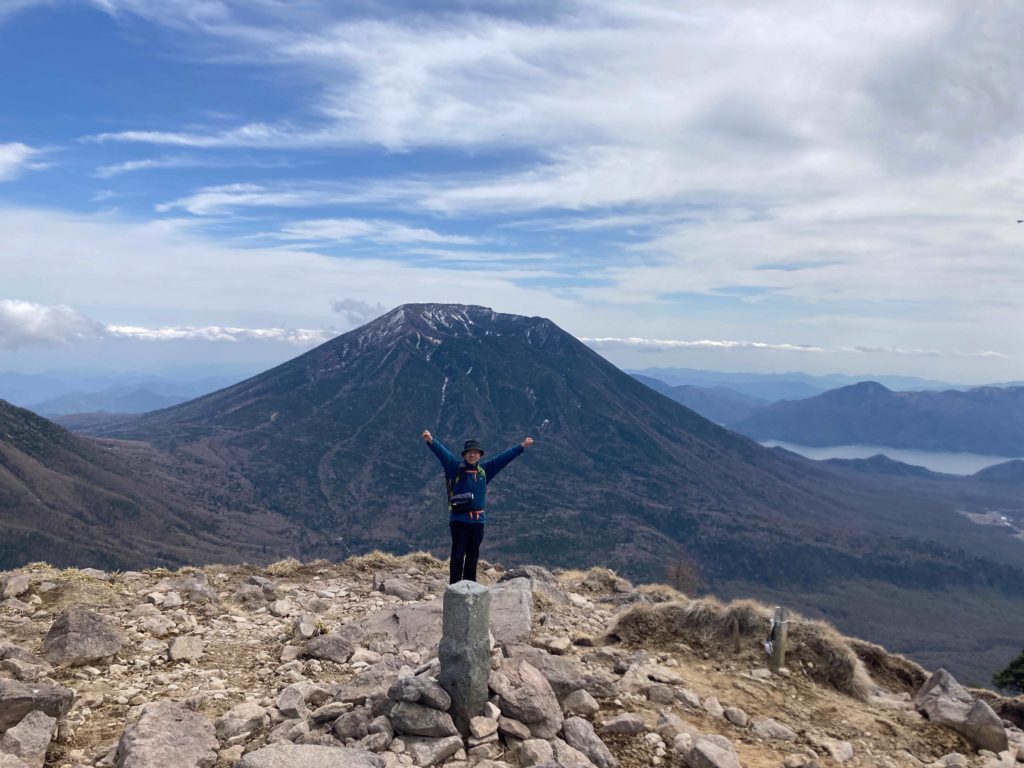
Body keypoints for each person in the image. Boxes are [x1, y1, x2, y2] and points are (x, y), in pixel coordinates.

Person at [422, 430, 533, 584]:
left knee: (473, 556)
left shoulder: (484, 471)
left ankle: (470, 587)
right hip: (459, 521)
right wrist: (431, 440)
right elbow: (443, 454)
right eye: (469, 452)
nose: (472, 455)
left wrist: (522, 446)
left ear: (480, 455)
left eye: (475, 453)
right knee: (457, 555)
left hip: (477, 522)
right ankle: (455, 587)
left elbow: (503, 458)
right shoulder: (455, 468)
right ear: (464, 455)